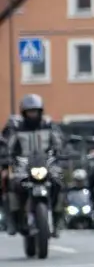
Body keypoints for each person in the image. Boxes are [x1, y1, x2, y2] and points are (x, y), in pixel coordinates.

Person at [6, 95, 65, 235]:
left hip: (47, 163)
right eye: (29, 111)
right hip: (23, 165)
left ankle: (57, 219)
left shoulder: (49, 126)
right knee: (14, 185)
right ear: (24, 112)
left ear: (40, 111)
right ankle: (15, 219)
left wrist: (62, 154)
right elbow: (8, 147)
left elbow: (59, 143)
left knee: (58, 183)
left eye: (35, 111)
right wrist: (6, 159)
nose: (33, 114)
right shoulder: (17, 128)